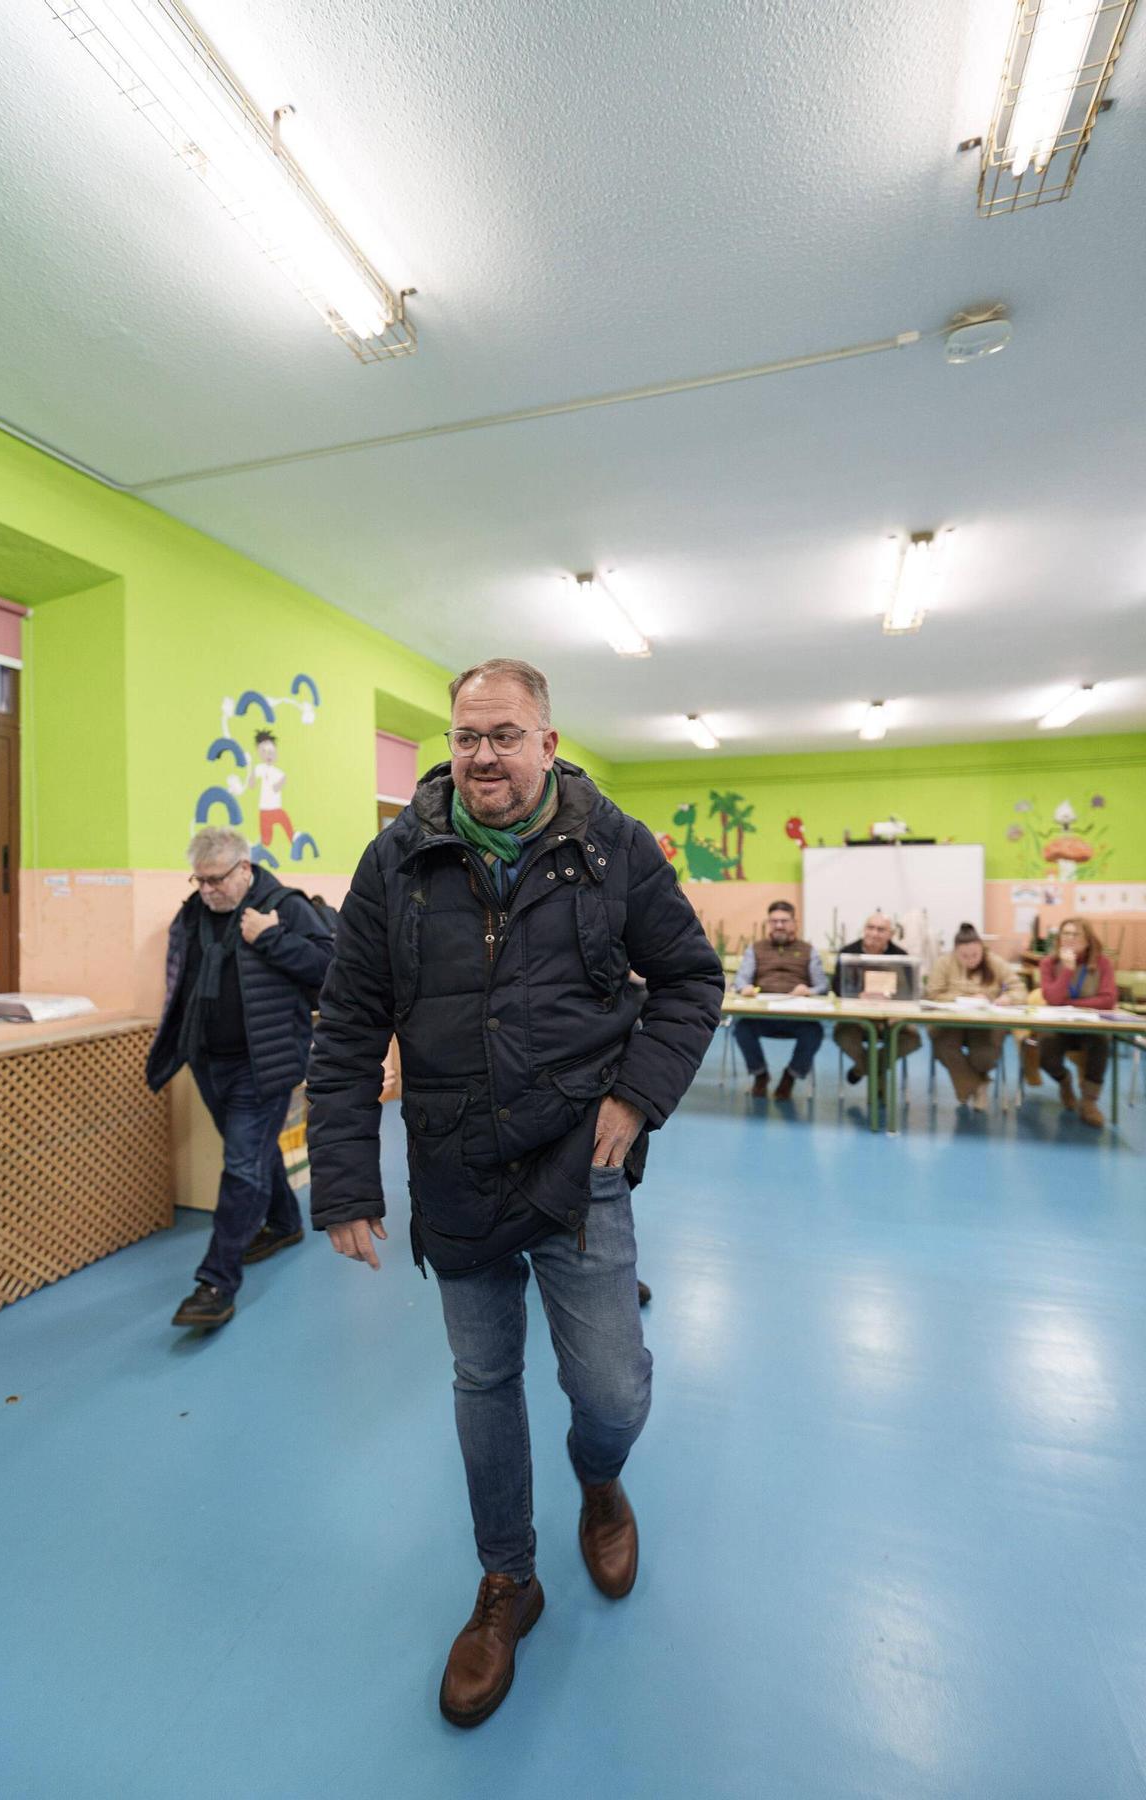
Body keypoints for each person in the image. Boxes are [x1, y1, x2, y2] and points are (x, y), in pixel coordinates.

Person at [307, 658, 721, 1728]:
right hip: (452, 1167)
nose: (481, 755)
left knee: (613, 1391)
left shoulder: (611, 846)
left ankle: (599, 1477)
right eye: (464, 736)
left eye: (503, 733)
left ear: (546, 739)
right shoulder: (393, 862)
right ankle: (507, 1581)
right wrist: (348, 1175)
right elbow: (350, 1022)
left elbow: (690, 979)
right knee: (484, 1378)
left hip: (580, 1168)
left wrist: (636, 1099)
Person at [147, 826, 334, 1328]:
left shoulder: (285, 906)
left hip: (263, 1062)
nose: (206, 890)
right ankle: (285, 1222)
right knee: (251, 1151)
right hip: (208, 1060)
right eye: (199, 880)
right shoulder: (193, 913)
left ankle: (216, 1283)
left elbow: (331, 968)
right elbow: (180, 981)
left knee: (241, 1166)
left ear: (245, 870)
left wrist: (271, 938)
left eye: (216, 880)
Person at [730, 900, 828, 1100]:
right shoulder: (755, 949)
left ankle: (790, 1076)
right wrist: (744, 987)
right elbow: (741, 979)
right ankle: (760, 1074)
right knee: (742, 1029)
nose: (779, 925)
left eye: (784, 921)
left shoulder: (809, 950)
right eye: (774, 921)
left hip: (797, 1017)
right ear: (768, 923)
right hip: (762, 1014)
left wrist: (808, 990)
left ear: (794, 923)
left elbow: (823, 986)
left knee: (815, 1032)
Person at [925, 923, 1027, 1111]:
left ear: (982, 950)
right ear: (955, 951)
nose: (971, 960)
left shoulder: (994, 962)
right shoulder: (943, 963)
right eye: (964, 956)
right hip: (950, 1022)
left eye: (975, 955)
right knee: (944, 1046)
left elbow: (1019, 989)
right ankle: (978, 1086)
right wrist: (961, 998)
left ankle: (970, 1086)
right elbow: (932, 993)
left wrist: (1008, 997)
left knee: (984, 1057)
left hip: (986, 1023)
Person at [1037, 917, 1117, 1128]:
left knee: (1101, 1042)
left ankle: (1089, 1102)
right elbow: (1052, 999)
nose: (1070, 939)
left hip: (1090, 1026)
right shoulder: (1048, 963)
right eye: (1066, 934)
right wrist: (1068, 970)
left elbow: (1108, 999)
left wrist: (1072, 1003)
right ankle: (1064, 1081)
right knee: (1044, 1047)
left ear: (1088, 940)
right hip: (1060, 1026)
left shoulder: (1102, 963)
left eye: (1076, 934)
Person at [830, 911, 921, 1087]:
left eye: (881, 929)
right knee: (842, 1035)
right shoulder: (847, 952)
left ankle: (862, 1069)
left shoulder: (901, 956)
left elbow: (908, 991)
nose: (874, 933)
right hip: (855, 1017)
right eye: (870, 927)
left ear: (890, 934)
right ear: (864, 929)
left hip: (890, 1017)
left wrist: (892, 1001)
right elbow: (837, 987)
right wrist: (858, 997)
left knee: (912, 1039)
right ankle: (877, 1076)